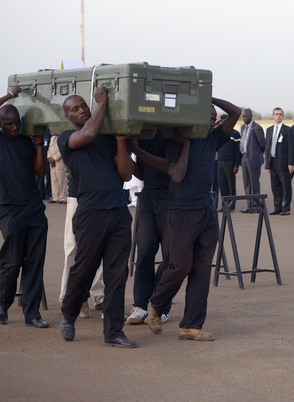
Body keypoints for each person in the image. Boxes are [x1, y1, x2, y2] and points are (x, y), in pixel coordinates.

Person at [146, 97, 241, 341]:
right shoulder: (176, 141)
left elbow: (235, 112)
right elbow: (176, 175)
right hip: (181, 212)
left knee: (201, 270)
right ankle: (156, 305)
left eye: (212, 119)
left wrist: (209, 97)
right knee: (180, 266)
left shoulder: (214, 138)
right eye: (205, 118)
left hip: (206, 210)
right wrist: (186, 146)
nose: (211, 122)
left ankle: (191, 326)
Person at [58, 86, 136, 348]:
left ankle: (113, 332)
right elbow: (89, 132)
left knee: (116, 275)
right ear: (68, 117)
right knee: (84, 270)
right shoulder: (67, 138)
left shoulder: (107, 138)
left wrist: (121, 142)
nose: (81, 110)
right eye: (75, 109)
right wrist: (103, 102)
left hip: (118, 213)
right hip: (90, 215)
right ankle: (69, 314)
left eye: (84, 106)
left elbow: (126, 175)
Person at [0, 86, 49, 328]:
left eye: (16, 123)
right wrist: (10, 95)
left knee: (35, 262)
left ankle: (31, 313)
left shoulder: (26, 143)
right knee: (11, 261)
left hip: (34, 208)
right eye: (9, 124)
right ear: (0, 123)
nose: (14, 127)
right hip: (10, 210)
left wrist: (39, 144)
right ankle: (2, 304)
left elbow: (40, 171)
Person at [125, 130, 172, 325]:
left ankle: (159, 305)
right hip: (148, 197)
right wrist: (128, 153)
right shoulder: (144, 131)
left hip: (172, 198)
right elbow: (143, 172)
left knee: (170, 255)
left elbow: (169, 167)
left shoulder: (173, 131)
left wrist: (136, 149)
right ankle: (141, 305)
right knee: (144, 252)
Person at [59, 168, 105, 318]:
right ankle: (72, 296)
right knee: (73, 247)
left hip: (104, 192)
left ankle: (101, 296)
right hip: (78, 192)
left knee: (106, 245)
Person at [265, 107, 294, 215]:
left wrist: (291, 163)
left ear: (283, 116)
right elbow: (267, 147)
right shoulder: (269, 130)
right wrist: (267, 164)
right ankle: (277, 207)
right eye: (276, 114)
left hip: (283, 162)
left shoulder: (288, 130)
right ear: (272, 116)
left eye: (280, 114)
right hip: (272, 162)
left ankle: (286, 208)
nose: (278, 116)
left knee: (285, 186)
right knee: (275, 186)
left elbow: (291, 148)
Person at [239, 109, 265, 213]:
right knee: (247, 183)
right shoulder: (242, 127)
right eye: (243, 117)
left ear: (251, 116)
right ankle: (249, 205)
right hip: (244, 158)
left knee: (254, 183)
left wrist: (256, 154)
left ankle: (256, 206)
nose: (244, 118)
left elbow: (263, 143)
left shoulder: (257, 128)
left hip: (253, 158)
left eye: (246, 116)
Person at [216, 114, 241, 212]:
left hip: (230, 161)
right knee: (222, 184)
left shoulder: (235, 134)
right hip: (220, 161)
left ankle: (231, 205)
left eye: (224, 121)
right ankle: (224, 205)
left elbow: (237, 150)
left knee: (231, 184)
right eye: (221, 121)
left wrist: (236, 164)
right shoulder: (219, 133)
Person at [47, 134, 67, 203]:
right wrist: (49, 157)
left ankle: (63, 197)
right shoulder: (52, 137)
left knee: (61, 180)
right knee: (54, 180)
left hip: (59, 162)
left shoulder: (62, 137)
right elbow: (49, 148)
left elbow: (62, 150)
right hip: (52, 162)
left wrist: (54, 158)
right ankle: (55, 197)